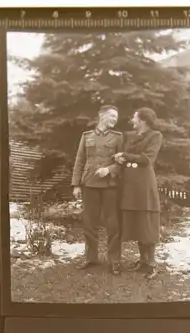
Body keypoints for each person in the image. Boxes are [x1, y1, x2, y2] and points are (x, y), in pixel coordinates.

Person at [71, 105, 123, 275]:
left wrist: (109, 170)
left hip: (110, 185)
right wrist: (76, 184)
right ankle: (91, 258)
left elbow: (123, 162)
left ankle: (114, 260)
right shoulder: (86, 136)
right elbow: (79, 161)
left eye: (116, 117)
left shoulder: (118, 137)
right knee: (89, 223)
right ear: (101, 116)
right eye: (112, 116)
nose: (115, 119)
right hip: (90, 184)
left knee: (113, 224)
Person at [114, 107, 163, 280]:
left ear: (143, 120)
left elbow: (147, 158)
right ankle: (142, 261)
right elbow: (127, 155)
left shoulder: (155, 136)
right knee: (136, 223)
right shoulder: (130, 136)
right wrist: (120, 158)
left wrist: (125, 155)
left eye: (134, 117)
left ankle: (151, 263)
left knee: (147, 222)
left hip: (144, 185)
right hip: (129, 185)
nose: (132, 120)